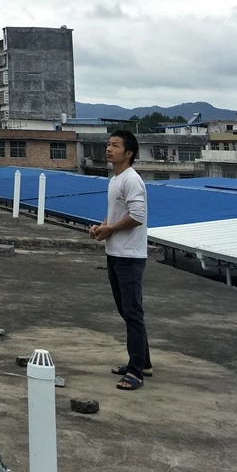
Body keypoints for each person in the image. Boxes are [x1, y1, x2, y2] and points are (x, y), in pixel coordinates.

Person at [89, 130, 151, 390]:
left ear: (129, 153)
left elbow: (137, 215)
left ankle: (136, 372)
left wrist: (111, 230)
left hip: (129, 256)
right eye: (108, 144)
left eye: (115, 145)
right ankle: (142, 361)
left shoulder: (131, 180)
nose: (108, 149)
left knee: (133, 313)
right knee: (127, 311)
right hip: (115, 253)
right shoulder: (115, 179)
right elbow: (115, 213)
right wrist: (102, 227)